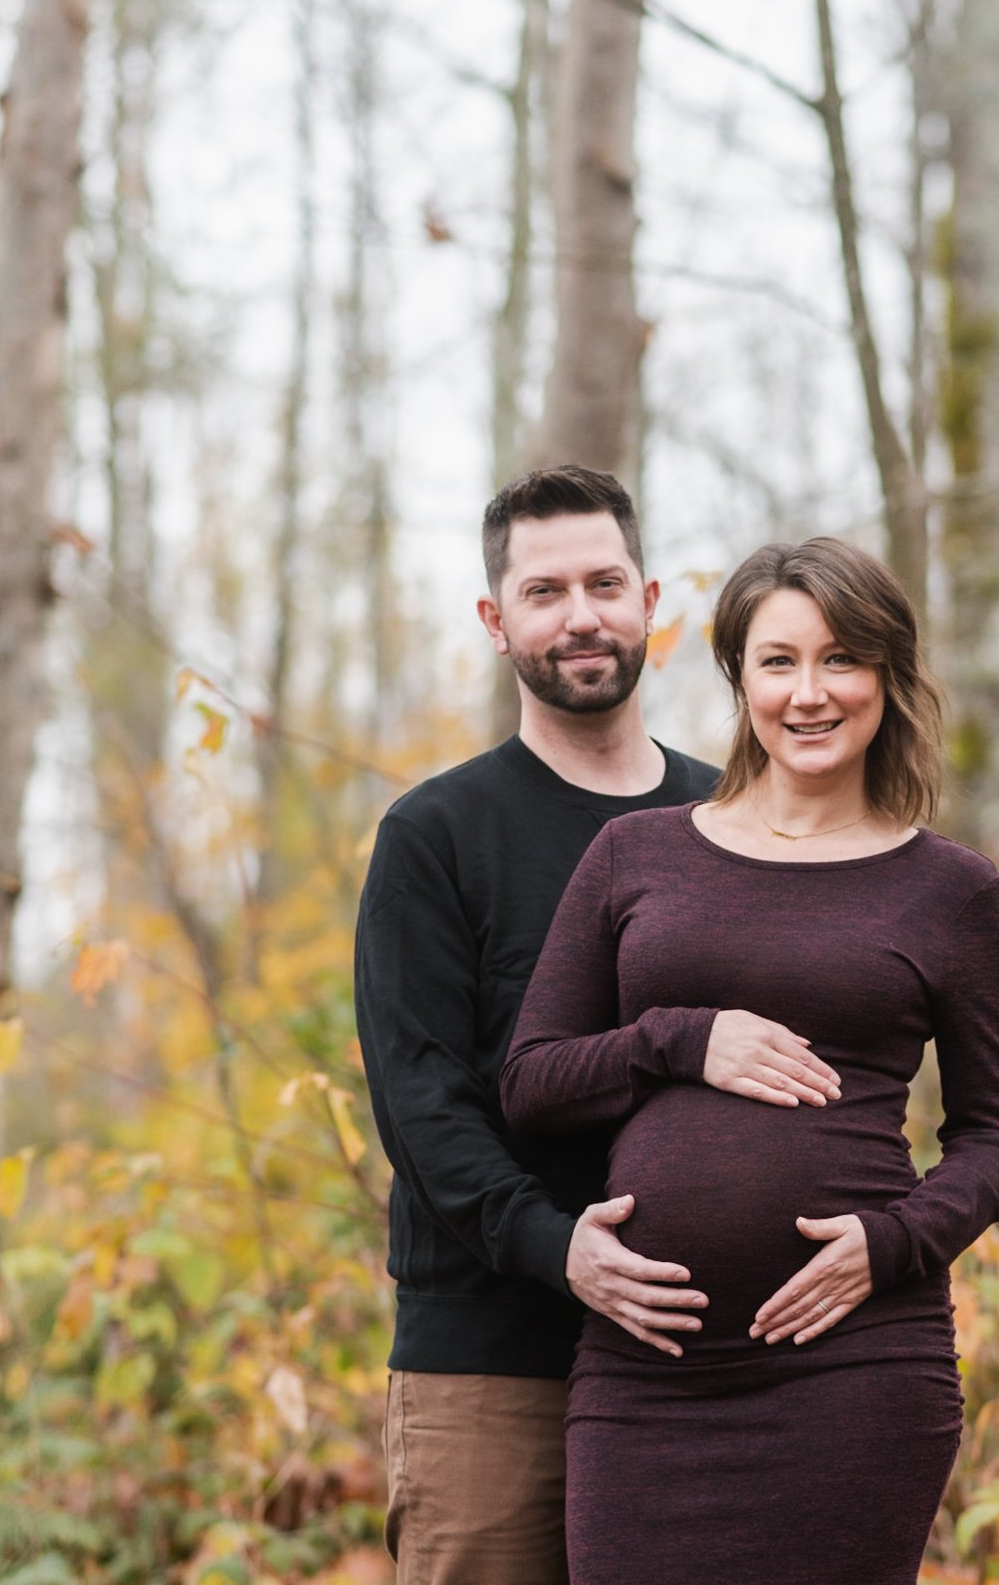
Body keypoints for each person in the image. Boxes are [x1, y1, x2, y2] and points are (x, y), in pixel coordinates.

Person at [501, 535, 999, 1585]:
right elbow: (531, 1080)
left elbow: (997, 1134)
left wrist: (893, 1243)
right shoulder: (636, 855)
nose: (810, 693)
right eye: (778, 661)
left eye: (841, 659)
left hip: (853, 1367)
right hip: (643, 1374)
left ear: (887, 674)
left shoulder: (951, 890)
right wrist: (680, 1038)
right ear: (737, 676)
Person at [353, 466, 721, 1585]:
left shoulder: (729, 821)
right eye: (545, 590)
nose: (581, 616)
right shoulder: (434, 835)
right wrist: (562, 1250)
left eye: (605, 583)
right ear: (495, 619)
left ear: (649, 598)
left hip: (705, 1366)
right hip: (492, 1370)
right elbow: (421, 1107)